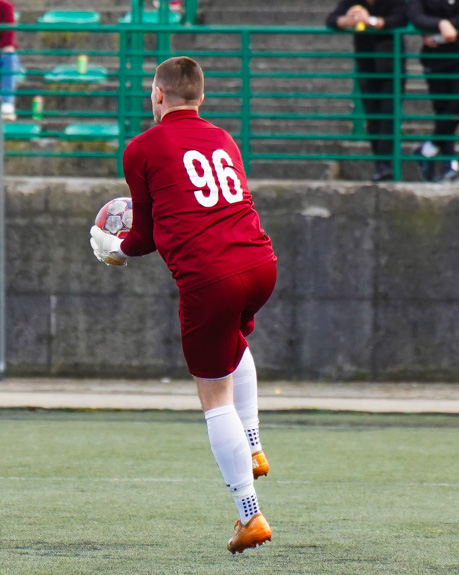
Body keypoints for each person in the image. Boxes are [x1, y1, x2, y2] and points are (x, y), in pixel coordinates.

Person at [89, 56, 277, 554]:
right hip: (260, 264)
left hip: (210, 278)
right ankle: (253, 444)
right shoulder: (223, 138)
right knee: (235, 343)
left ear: (157, 95)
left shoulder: (141, 148)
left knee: (215, 401)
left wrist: (114, 247)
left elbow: (146, 236)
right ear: (201, 97)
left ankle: (249, 515)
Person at [326, 0, 408, 182]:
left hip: (391, 66)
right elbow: (331, 20)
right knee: (372, 117)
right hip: (367, 65)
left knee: (388, 115)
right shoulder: (354, 3)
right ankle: (381, 165)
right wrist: (347, 20)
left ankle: (386, 164)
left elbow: (400, 19)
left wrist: (370, 21)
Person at [407, 0, 459, 183]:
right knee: (442, 110)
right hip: (435, 58)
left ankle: (427, 150)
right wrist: (441, 24)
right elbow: (416, 17)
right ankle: (450, 167)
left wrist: (443, 30)